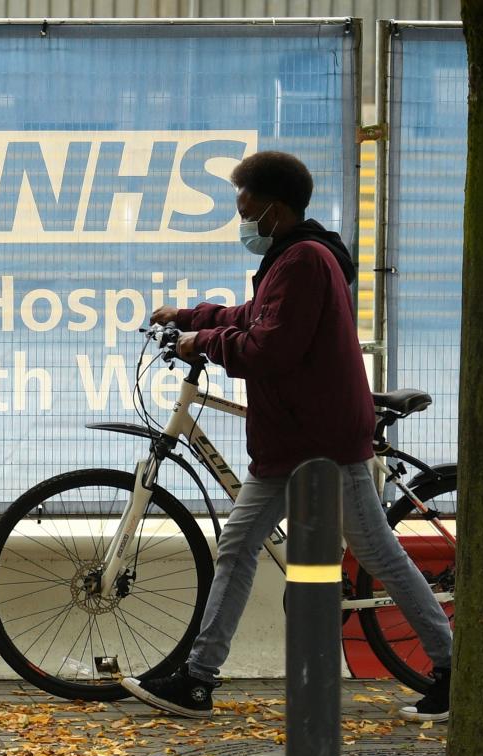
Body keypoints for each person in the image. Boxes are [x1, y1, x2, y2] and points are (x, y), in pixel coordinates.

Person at [121, 151, 453, 722]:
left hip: (319, 444)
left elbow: (269, 347)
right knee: (239, 546)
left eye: (244, 205)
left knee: (379, 554)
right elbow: (254, 315)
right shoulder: (290, 257)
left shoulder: (303, 261)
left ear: (274, 208)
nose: (240, 216)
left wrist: (202, 345)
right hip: (290, 441)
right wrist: (193, 316)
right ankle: (199, 679)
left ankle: (454, 669)